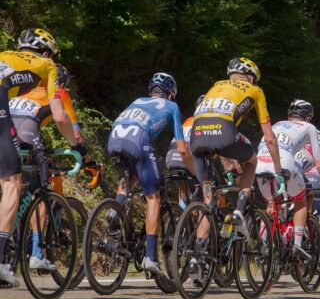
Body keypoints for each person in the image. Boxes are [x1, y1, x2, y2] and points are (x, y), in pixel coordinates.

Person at [189, 57, 282, 274]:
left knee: (207, 201)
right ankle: (239, 211)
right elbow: (269, 138)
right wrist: (278, 168)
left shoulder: (216, 86)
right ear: (251, 77)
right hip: (224, 134)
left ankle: (198, 254)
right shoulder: (255, 90)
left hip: (197, 135)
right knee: (252, 162)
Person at [0, 28, 75, 287]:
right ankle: (5, 257)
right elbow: (61, 118)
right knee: (13, 183)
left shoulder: (5, 56)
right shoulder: (47, 65)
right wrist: (80, 148)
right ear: (46, 52)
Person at [107, 72, 190, 276]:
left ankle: (115, 208)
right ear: (170, 94)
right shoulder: (172, 106)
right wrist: (191, 168)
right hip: (138, 141)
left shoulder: (137, 101)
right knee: (153, 197)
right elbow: (181, 147)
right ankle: (150, 257)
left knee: (131, 177)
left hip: (114, 139)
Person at [9, 63, 87, 270]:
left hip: (6, 133)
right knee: (40, 190)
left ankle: (10, 246)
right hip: (27, 133)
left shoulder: (23, 90)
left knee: (11, 189)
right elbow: (74, 131)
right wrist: (84, 154)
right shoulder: (60, 92)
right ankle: (36, 252)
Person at [256, 99, 320, 260]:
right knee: (300, 202)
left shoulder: (276, 124)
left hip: (260, 162)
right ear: (308, 116)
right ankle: (297, 245)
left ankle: (263, 245)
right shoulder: (309, 127)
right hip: (283, 162)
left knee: (270, 203)